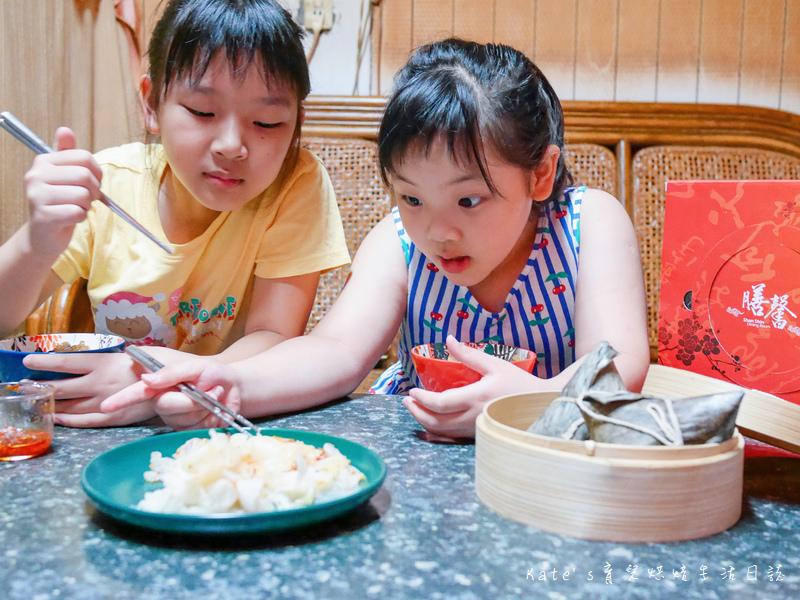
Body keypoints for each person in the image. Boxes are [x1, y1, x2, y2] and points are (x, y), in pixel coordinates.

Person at [102, 38, 650, 438]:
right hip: (415, 450)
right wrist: (230, 380)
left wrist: (532, 399)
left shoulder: (588, 222)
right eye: (411, 198)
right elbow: (336, 351)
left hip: (548, 459)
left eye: (469, 200)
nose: (437, 231)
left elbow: (619, 362)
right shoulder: (399, 241)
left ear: (540, 174)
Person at [0, 0, 350, 427]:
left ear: (296, 123)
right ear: (152, 104)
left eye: (267, 122)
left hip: (223, 418)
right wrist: (36, 243)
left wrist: (154, 379)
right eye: (203, 112)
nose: (231, 145)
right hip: (106, 420)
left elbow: (273, 334)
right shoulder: (108, 183)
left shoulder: (296, 184)